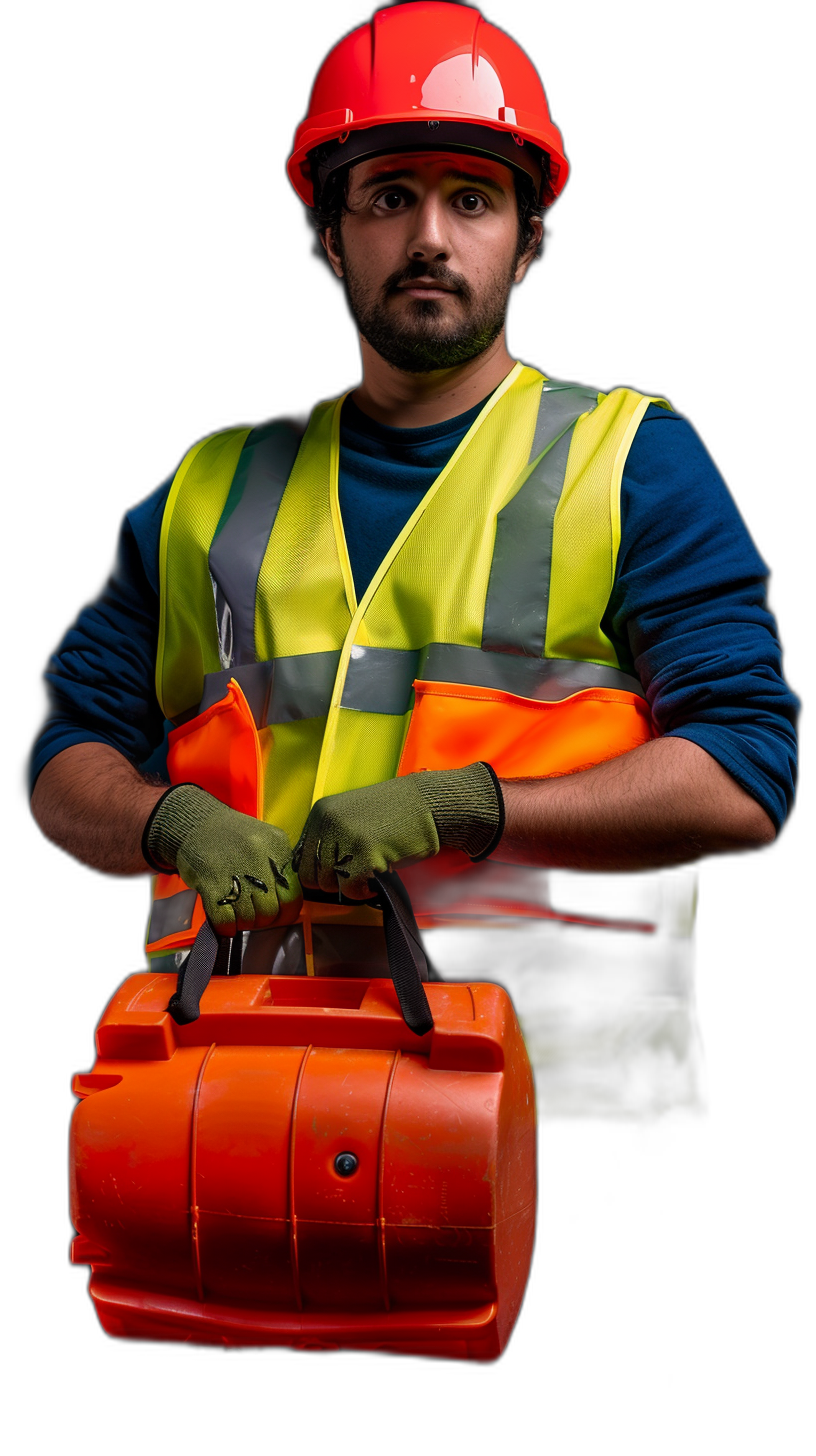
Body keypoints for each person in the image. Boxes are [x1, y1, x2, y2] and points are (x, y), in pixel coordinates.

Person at [29, 3, 798, 1121]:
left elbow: (743, 776)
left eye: (473, 198)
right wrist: (166, 822)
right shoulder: (205, 492)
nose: (430, 236)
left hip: (549, 1121)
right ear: (334, 237)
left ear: (528, 241)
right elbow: (65, 756)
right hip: (235, 1114)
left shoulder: (632, 464)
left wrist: (470, 807)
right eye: (390, 196)